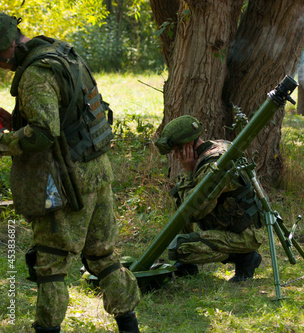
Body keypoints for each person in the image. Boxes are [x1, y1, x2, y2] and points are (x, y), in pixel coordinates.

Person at [0, 13, 141, 332]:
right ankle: (129, 326)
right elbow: (70, 116)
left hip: (65, 182)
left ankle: (46, 329)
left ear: (8, 45)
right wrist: (15, 122)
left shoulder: (35, 73)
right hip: (96, 169)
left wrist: (5, 141)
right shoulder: (60, 51)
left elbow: (42, 134)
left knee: (50, 263)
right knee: (103, 255)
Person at [154, 115, 265, 282]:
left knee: (180, 249)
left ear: (187, 146)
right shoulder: (217, 147)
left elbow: (193, 211)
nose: (176, 156)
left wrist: (187, 172)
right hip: (231, 224)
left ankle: (246, 258)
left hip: (244, 235)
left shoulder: (213, 165)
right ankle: (188, 267)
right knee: (180, 195)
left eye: (177, 150)